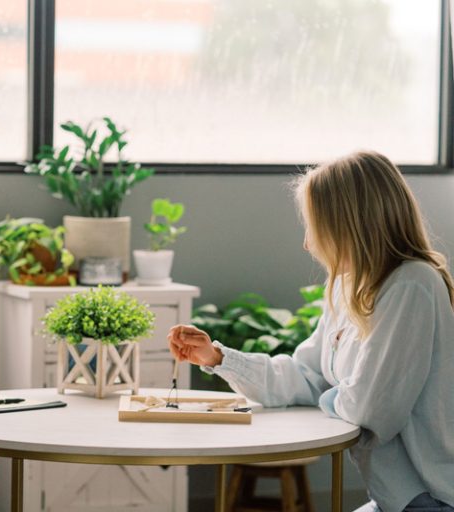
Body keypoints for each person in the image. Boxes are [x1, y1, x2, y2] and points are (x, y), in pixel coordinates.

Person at [168, 151, 454, 512]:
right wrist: (218, 357)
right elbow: (306, 375)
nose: (307, 243)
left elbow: (373, 410)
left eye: (313, 226)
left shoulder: (412, 284)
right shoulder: (345, 288)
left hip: (429, 497)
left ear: (347, 224)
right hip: (392, 498)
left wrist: (328, 395)